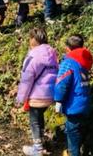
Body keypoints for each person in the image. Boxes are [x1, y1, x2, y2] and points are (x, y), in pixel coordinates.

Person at [16, 28, 59, 156]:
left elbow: (27, 79)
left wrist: (21, 98)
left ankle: (37, 149)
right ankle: (41, 143)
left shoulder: (33, 55)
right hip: (50, 94)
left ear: (34, 40)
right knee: (39, 118)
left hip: (37, 95)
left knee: (34, 121)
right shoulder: (52, 53)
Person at [54, 34, 93, 156]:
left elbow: (62, 83)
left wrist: (58, 100)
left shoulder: (69, 62)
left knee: (73, 136)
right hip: (85, 104)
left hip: (73, 106)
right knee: (78, 132)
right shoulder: (84, 62)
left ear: (67, 48)